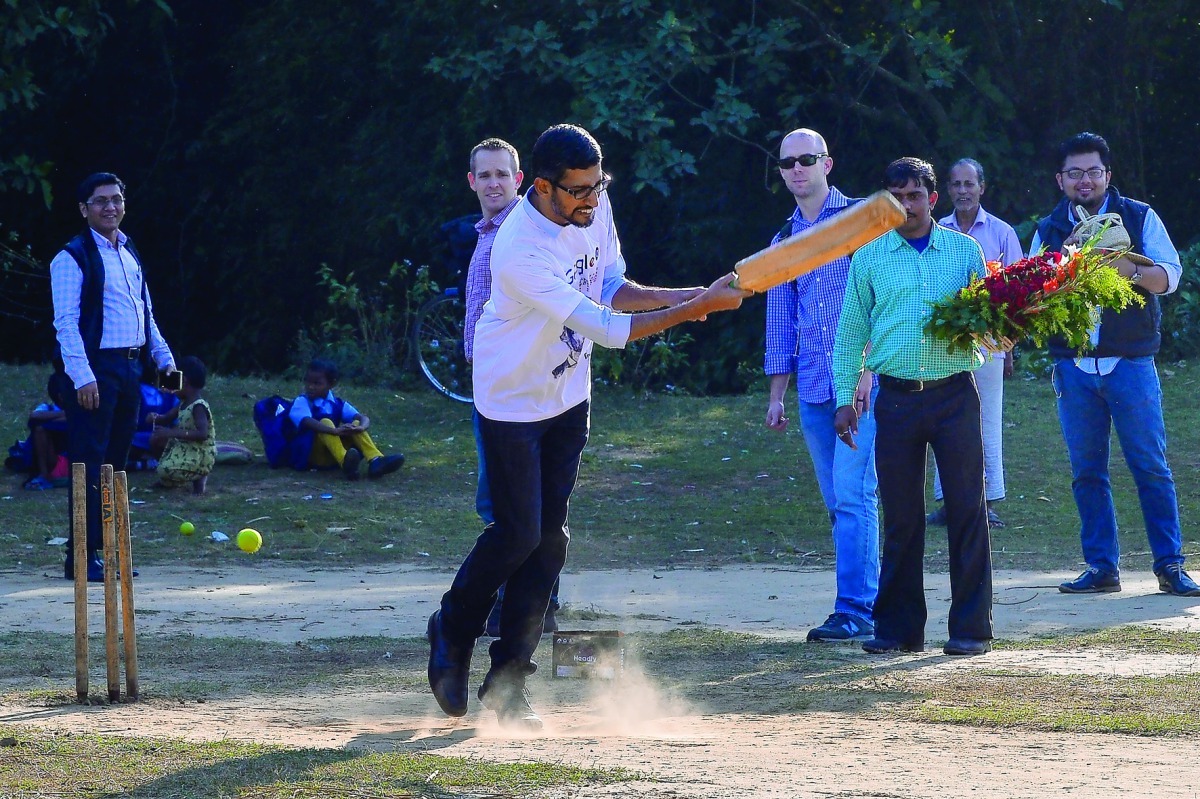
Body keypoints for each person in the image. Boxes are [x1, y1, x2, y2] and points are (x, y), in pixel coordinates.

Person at [428, 123, 750, 730]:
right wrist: (701, 307)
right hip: (511, 401)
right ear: (542, 188)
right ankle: (452, 624)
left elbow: (612, 288)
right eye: (578, 191)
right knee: (517, 534)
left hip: (567, 395)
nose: (592, 201)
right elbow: (611, 330)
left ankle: (508, 685)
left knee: (551, 541)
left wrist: (695, 292)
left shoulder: (591, 208)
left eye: (597, 187)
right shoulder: (520, 247)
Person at [833, 157, 993, 657]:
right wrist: (844, 400)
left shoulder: (965, 251)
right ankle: (899, 630)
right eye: (897, 196)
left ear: (933, 198)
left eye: (916, 195)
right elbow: (850, 333)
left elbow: (988, 319)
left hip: (954, 395)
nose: (907, 205)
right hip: (896, 399)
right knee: (902, 515)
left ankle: (971, 629)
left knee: (967, 508)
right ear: (885, 200)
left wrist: (1002, 329)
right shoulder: (869, 255)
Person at [1029, 132, 1199, 597]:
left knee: (1150, 466)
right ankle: (1102, 567)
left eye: (1093, 171)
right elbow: (1031, 295)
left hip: (1131, 363)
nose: (1085, 181)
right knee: (1087, 471)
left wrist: (1127, 271)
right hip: (1074, 367)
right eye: (1075, 173)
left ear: (1108, 175)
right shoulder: (1048, 229)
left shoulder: (1140, 217)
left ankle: (1170, 565)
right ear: (1060, 179)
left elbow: (1170, 277)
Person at [762, 128, 879, 642]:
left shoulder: (862, 222)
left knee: (856, 496)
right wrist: (775, 395)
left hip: (862, 383)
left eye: (806, 160)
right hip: (811, 387)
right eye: (786, 164)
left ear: (827, 164)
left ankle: (856, 608)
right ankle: (866, 600)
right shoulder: (783, 240)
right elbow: (780, 320)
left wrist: (868, 374)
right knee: (840, 501)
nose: (796, 170)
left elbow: (885, 300)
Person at [51, 172, 177, 582]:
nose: (110, 207)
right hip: (94, 370)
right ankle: (81, 556)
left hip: (130, 366)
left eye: (116, 199)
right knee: (88, 462)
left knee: (116, 465)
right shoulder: (71, 257)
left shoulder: (129, 252)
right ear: (84, 209)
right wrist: (82, 377)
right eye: (100, 201)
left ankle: (109, 551)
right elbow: (66, 324)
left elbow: (146, 314)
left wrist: (166, 362)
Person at [462, 137, 561, 637]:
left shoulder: (521, 233)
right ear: (472, 181)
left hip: (520, 390)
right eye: (486, 175)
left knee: (514, 504)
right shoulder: (487, 232)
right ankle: (519, 596)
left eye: (504, 174)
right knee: (502, 499)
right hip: (492, 388)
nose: (494, 183)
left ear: (520, 180)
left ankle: (527, 599)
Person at [927, 159, 1023, 530]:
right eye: (956, 184)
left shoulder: (1001, 233)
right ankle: (950, 502)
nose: (963, 190)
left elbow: (1018, 298)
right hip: (943, 345)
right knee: (944, 420)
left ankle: (984, 501)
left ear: (982, 187)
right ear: (947, 190)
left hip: (989, 344)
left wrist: (1008, 347)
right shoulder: (938, 231)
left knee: (985, 421)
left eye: (969, 183)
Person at [286, 358, 405, 480]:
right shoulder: (302, 402)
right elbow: (306, 421)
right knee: (325, 422)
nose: (310, 387)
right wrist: (334, 431)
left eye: (317, 383)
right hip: (312, 453)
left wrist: (360, 427)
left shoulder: (337, 403)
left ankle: (375, 460)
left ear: (331, 384)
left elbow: (363, 417)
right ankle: (345, 462)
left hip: (332, 454)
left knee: (356, 423)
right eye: (308, 382)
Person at [147, 356, 216, 494]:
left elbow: (202, 434)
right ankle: (170, 478)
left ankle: (198, 475)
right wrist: (155, 418)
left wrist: (170, 433)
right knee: (155, 439)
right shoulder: (183, 403)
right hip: (185, 446)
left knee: (164, 470)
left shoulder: (198, 407)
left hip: (199, 452)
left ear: (183, 381)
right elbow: (166, 418)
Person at [22, 366, 74, 491]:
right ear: (61, 396)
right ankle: (44, 474)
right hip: (55, 461)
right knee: (40, 429)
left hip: (77, 459)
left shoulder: (82, 408)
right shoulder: (48, 408)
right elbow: (34, 416)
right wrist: (64, 414)